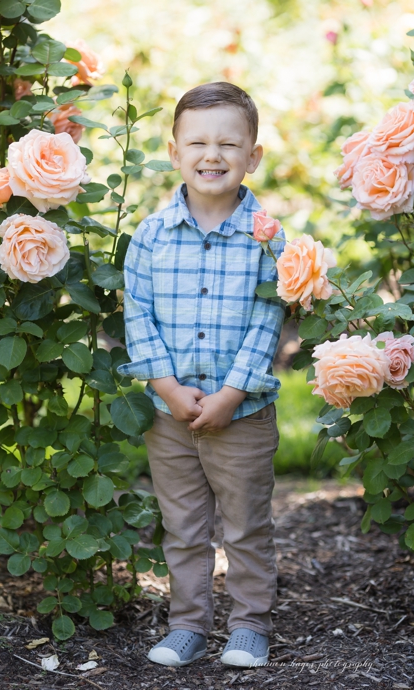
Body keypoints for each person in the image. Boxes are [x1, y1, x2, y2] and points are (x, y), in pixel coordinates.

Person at [117, 81, 284, 668]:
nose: (212, 156)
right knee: (183, 528)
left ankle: (249, 627)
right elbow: (137, 315)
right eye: (198, 143)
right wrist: (164, 386)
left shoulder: (267, 239)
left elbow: (268, 321)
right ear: (175, 152)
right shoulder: (150, 236)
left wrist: (231, 394)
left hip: (241, 414)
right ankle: (187, 624)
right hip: (170, 415)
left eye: (228, 144)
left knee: (245, 526)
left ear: (252, 156)